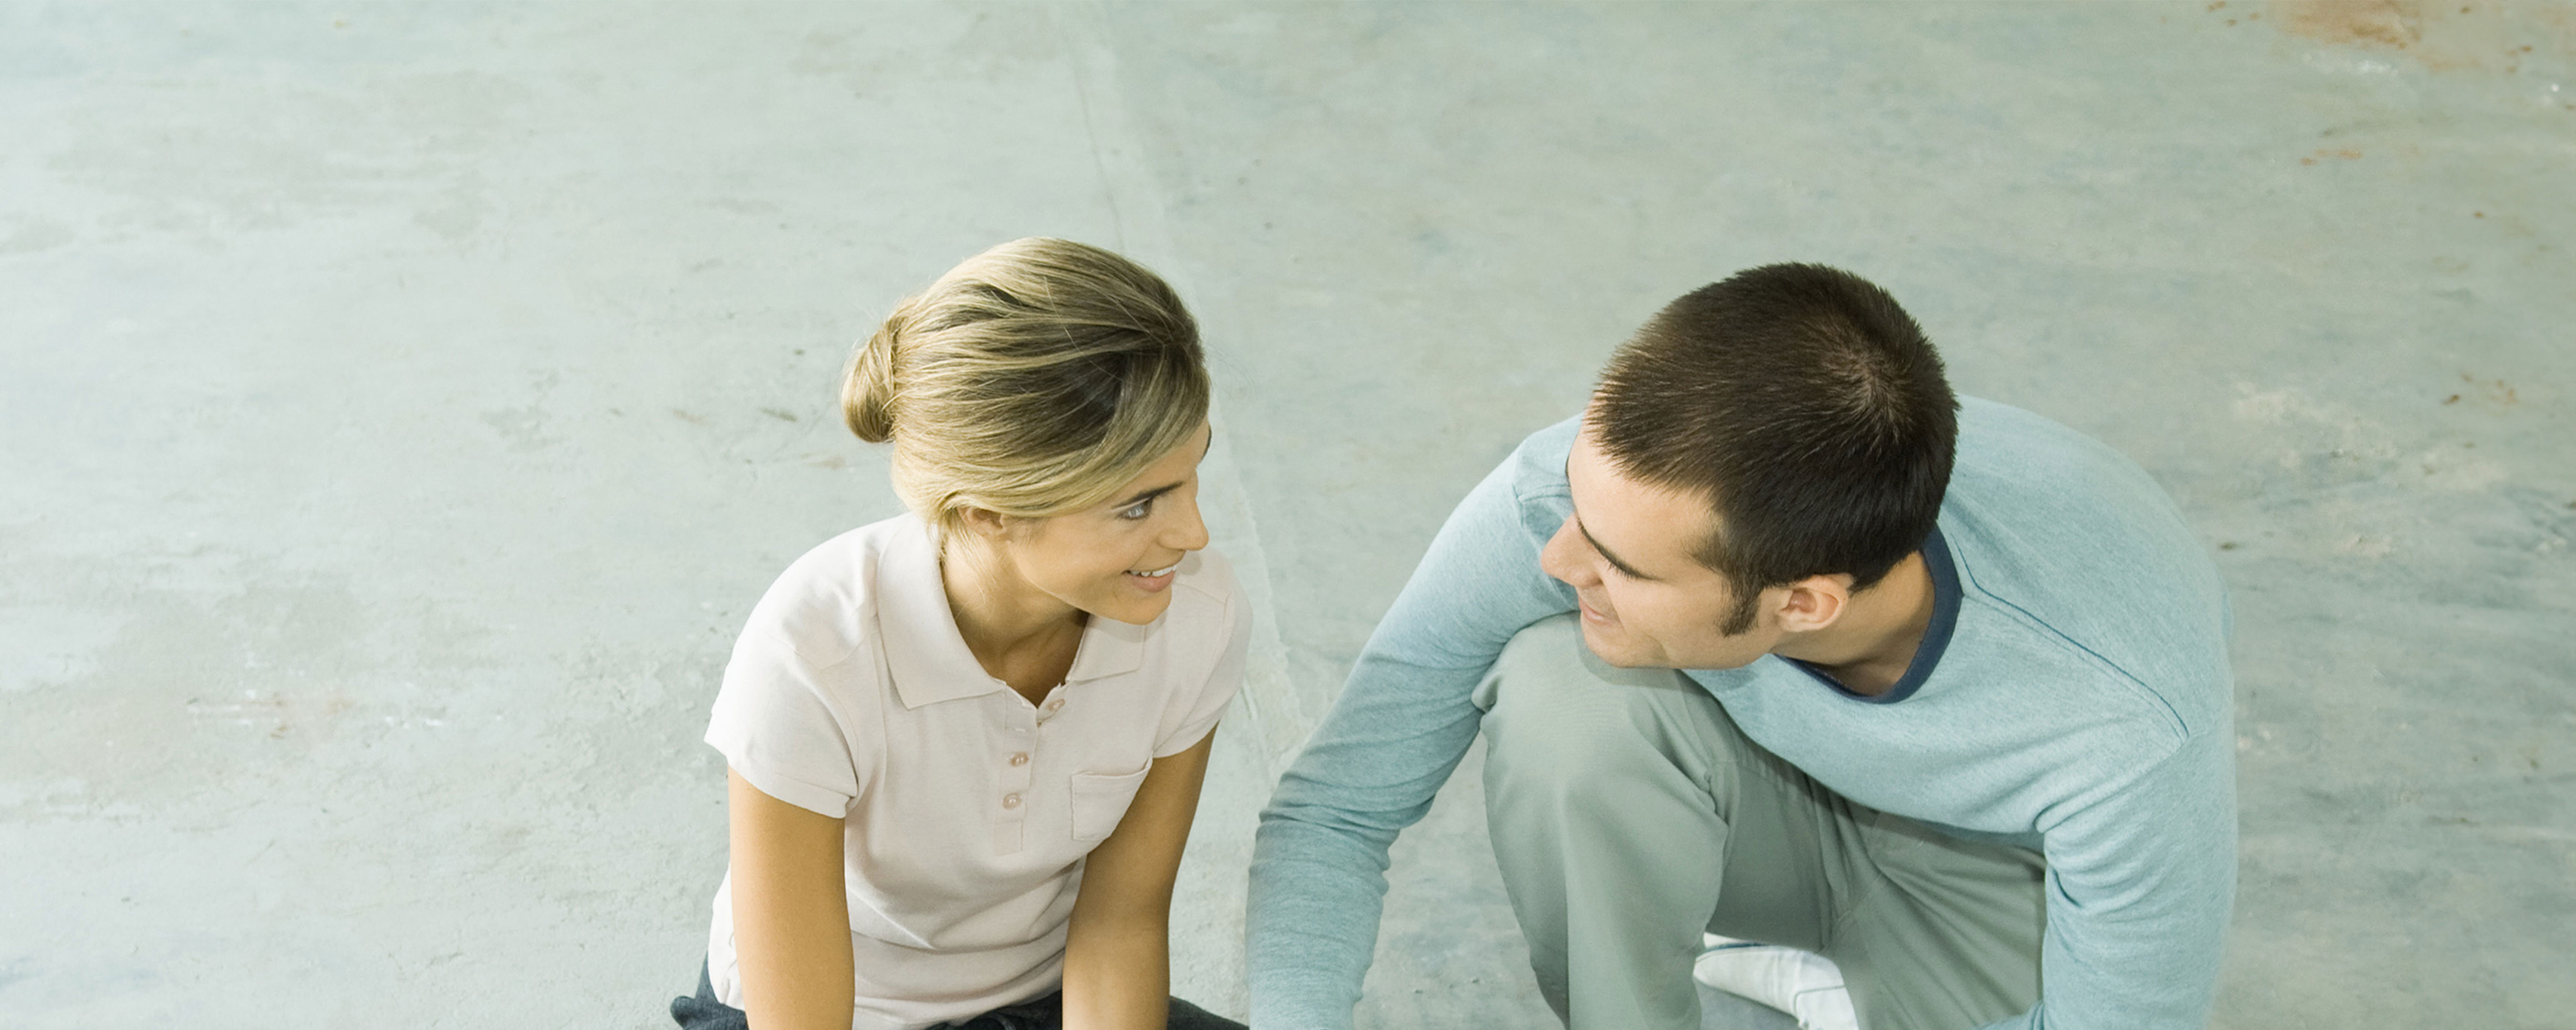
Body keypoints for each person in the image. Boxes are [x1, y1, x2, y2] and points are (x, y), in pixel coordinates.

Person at [1246, 264, 2235, 1030]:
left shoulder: (2122, 728)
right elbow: (1337, 807)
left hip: (1988, 875)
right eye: (1575, 507)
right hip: (1754, 787)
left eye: (1620, 562)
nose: (1556, 554)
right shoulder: (1607, 491)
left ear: (1804, 603)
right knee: (1562, 688)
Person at [671, 238, 1251, 1030]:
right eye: (1138, 505)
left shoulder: (1195, 611)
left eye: (1195, 471)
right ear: (988, 511)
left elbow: (1122, 922)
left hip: (1045, 1000)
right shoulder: (814, 646)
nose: (1194, 534)